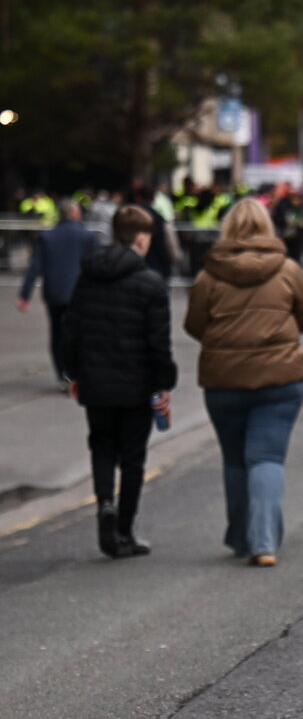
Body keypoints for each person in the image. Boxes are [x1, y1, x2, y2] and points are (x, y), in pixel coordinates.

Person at [184, 198, 303, 566]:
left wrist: (225, 343)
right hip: (281, 377)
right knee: (267, 457)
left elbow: (195, 325)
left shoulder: (208, 275)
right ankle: (264, 543)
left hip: (223, 380)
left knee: (235, 459)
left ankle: (243, 536)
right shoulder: (287, 269)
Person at [62, 205, 177, 557]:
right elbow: (158, 342)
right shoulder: (151, 283)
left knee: (101, 446)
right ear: (141, 237)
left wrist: (73, 372)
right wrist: (164, 383)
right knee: (132, 458)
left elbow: (72, 329)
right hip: (136, 384)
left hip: (95, 381)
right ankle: (124, 530)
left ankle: (105, 505)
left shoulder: (87, 276)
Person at [17, 199, 101, 389]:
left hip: (54, 293)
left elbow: (35, 267)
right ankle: (76, 372)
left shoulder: (47, 237)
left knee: (57, 334)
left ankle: (63, 373)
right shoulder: (87, 237)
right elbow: (98, 264)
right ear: (75, 213)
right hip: (79, 294)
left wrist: (25, 295)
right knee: (79, 333)